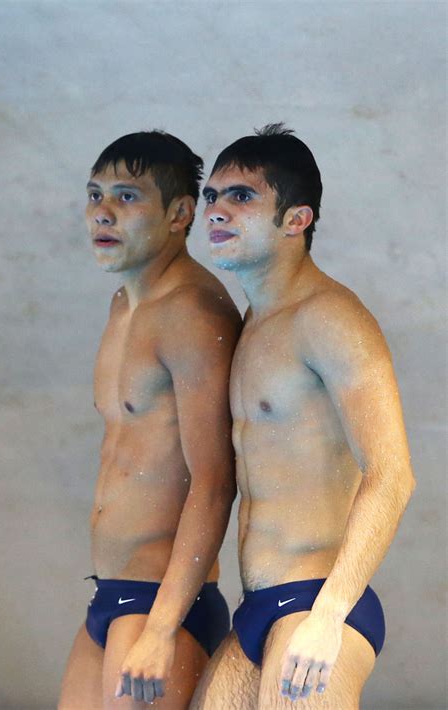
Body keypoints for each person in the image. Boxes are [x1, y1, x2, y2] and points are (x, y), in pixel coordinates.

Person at [191, 123, 416, 709]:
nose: (215, 209)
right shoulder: (250, 325)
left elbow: (392, 476)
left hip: (320, 600)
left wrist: (330, 615)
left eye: (241, 196)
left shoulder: (332, 318)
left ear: (296, 220)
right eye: (212, 196)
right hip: (256, 610)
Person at [59, 130, 242, 709]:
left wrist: (163, 626)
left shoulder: (192, 311)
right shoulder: (124, 306)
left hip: (161, 603)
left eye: (128, 197)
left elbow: (216, 483)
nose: (103, 213)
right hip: (109, 594)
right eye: (94, 195)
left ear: (180, 214)